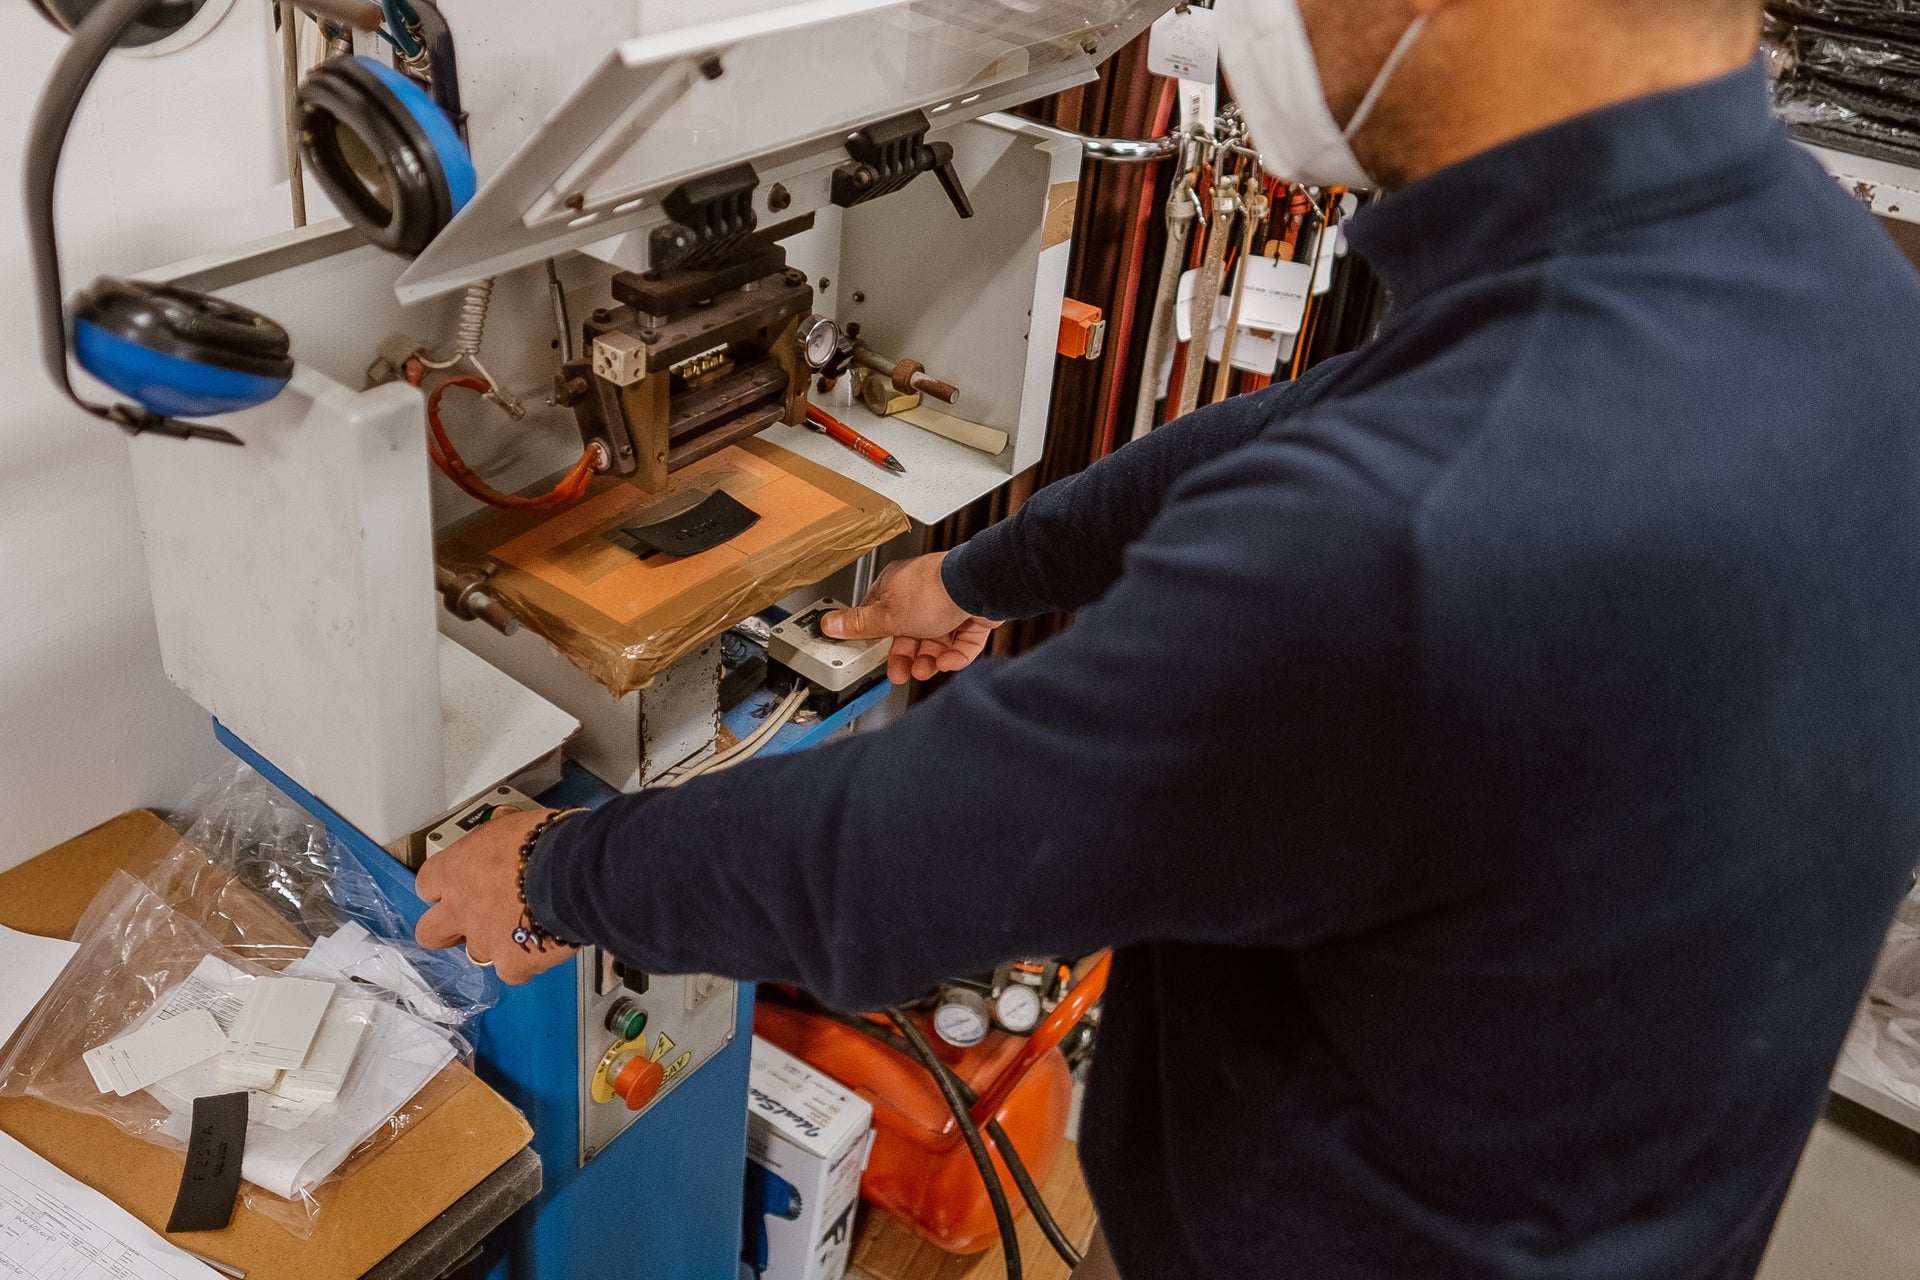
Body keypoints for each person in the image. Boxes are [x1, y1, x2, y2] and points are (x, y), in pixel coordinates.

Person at [414, 0, 1920, 1275]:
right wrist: (982, 574)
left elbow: (897, 865)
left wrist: (557, 873)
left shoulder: (1417, 533)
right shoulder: (1823, 279)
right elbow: (1321, 413)